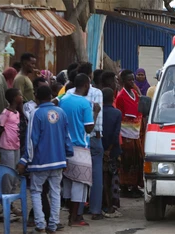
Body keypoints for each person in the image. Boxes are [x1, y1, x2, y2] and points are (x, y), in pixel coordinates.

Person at [17, 86, 73, 234]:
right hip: (59, 159)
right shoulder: (61, 113)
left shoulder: (36, 113)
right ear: (50, 96)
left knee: (36, 191)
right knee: (55, 192)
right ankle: (53, 225)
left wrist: (24, 160)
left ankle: (40, 225)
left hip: (40, 161)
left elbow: (31, 141)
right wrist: (67, 156)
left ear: (36, 97)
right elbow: (67, 137)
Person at [59, 73, 100, 226]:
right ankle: (75, 217)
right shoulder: (84, 103)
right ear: (86, 85)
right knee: (81, 184)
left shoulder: (64, 99)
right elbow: (89, 128)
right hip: (80, 147)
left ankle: (71, 216)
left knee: (68, 183)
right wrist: (96, 112)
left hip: (65, 146)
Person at [66, 62, 104, 220]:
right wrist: (95, 114)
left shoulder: (68, 93)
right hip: (90, 139)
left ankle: (76, 212)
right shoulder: (96, 93)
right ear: (89, 78)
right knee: (94, 177)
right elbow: (95, 123)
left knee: (74, 177)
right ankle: (95, 211)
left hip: (70, 140)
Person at [116, 70, 144, 198]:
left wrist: (138, 92)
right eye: (129, 80)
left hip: (136, 132)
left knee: (137, 160)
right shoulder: (121, 96)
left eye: (133, 80)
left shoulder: (134, 93)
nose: (132, 82)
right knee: (128, 161)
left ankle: (134, 185)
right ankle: (125, 186)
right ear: (123, 81)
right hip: (126, 133)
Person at [0, 88, 23, 216]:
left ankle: (11, 203)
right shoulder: (5, 113)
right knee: (7, 176)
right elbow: (0, 127)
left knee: (14, 175)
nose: (21, 96)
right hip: (7, 146)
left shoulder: (17, 113)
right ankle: (5, 205)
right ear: (14, 98)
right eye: (19, 95)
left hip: (15, 146)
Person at [101, 88, 122, 218]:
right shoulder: (117, 113)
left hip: (100, 149)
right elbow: (115, 134)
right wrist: (109, 150)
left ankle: (103, 204)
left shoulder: (97, 112)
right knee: (113, 178)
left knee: (103, 178)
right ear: (113, 98)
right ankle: (111, 206)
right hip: (112, 150)